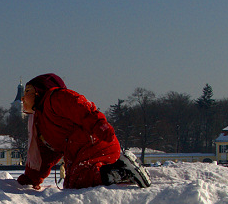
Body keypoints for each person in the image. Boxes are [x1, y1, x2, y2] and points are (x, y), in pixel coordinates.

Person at [16, 74, 150, 189]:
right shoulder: (40, 124)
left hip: (95, 141)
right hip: (80, 151)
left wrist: (100, 124)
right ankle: (122, 173)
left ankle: (122, 170)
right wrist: (31, 178)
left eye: (27, 91)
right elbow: (45, 155)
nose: (23, 98)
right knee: (73, 183)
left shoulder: (54, 98)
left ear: (40, 91)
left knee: (78, 179)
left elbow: (80, 107)